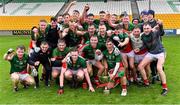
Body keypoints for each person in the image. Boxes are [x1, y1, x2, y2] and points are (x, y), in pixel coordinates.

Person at [138, 23, 168, 95]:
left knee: (159, 68)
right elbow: (145, 45)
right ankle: (146, 83)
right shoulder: (143, 36)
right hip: (151, 53)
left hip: (160, 52)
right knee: (140, 66)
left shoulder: (155, 33)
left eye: (148, 28)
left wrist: (160, 25)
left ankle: (165, 88)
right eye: (144, 29)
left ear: (151, 28)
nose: (146, 30)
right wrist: (139, 49)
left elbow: (162, 32)